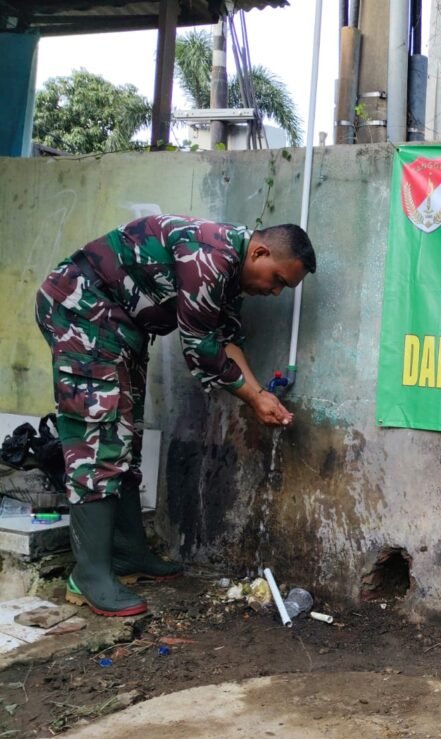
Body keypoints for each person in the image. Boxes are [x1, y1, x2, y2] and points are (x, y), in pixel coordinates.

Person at [35, 214, 316, 617]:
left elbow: (225, 340)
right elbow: (200, 348)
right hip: (80, 311)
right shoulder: (210, 257)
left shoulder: (230, 274)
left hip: (119, 329)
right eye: (278, 280)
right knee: (99, 438)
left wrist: (258, 394)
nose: (274, 292)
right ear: (259, 252)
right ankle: (89, 574)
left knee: (125, 436)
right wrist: (253, 400)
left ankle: (127, 552)